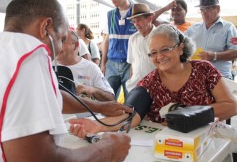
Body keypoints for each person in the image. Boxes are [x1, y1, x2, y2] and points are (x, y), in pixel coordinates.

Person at [0, 0, 132, 162]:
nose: (60, 48)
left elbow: (50, 96)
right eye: (61, 38)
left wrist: (100, 106)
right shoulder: (28, 53)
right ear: (45, 27)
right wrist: (107, 148)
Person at [69, 24, 237, 137]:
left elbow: (231, 106)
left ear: (180, 48)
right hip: (168, 150)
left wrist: (189, 115)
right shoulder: (150, 83)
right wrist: (97, 125)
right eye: (153, 53)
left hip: (207, 144)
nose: (159, 57)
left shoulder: (203, 69)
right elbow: (130, 116)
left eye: (165, 49)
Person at [185, 0, 237, 79]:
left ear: (218, 9)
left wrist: (215, 56)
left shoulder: (228, 28)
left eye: (208, 9)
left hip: (220, 79)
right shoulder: (193, 29)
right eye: (201, 9)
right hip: (197, 79)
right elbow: (180, 46)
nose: (204, 13)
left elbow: (235, 52)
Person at [101, 0, 137, 100]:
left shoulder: (136, 13)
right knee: (107, 100)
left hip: (130, 64)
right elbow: (106, 40)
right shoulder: (110, 15)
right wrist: (103, 63)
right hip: (111, 64)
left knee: (130, 101)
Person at [57, 29, 114, 101]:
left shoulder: (91, 68)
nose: (57, 45)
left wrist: (92, 90)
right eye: (55, 41)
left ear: (76, 45)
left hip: (88, 112)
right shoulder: (46, 66)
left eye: (62, 41)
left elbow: (110, 98)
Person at [126, 3, 156, 93]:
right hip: (136, 86)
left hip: (157, 86)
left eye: (139, 20)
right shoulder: (132, 39)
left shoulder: (160, 36)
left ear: (149, 19)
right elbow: (132, 63)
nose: (136, 24)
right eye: (134, 21)